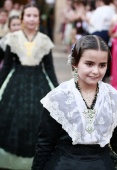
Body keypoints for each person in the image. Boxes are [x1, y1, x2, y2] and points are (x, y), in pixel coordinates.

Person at [31, 35, 117, 170]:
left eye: (102, 65)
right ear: (75, 63)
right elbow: (45, 145)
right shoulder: (58, 98)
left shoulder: (114, 98)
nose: (96, 71)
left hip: (102, 164)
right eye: (89, 64)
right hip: (64, 164)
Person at [0, 2, 58, 170]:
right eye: (28, 15)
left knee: (39, 119)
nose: (32, 19)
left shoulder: (45, 40)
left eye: (35, 16)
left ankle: (38, 159)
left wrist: (58, 90)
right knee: (12, 118)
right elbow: (7, 67)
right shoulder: (13, 38)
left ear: (39, 19)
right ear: (22, 18)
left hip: (39, 82)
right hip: (16, 82)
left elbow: (49, 68)